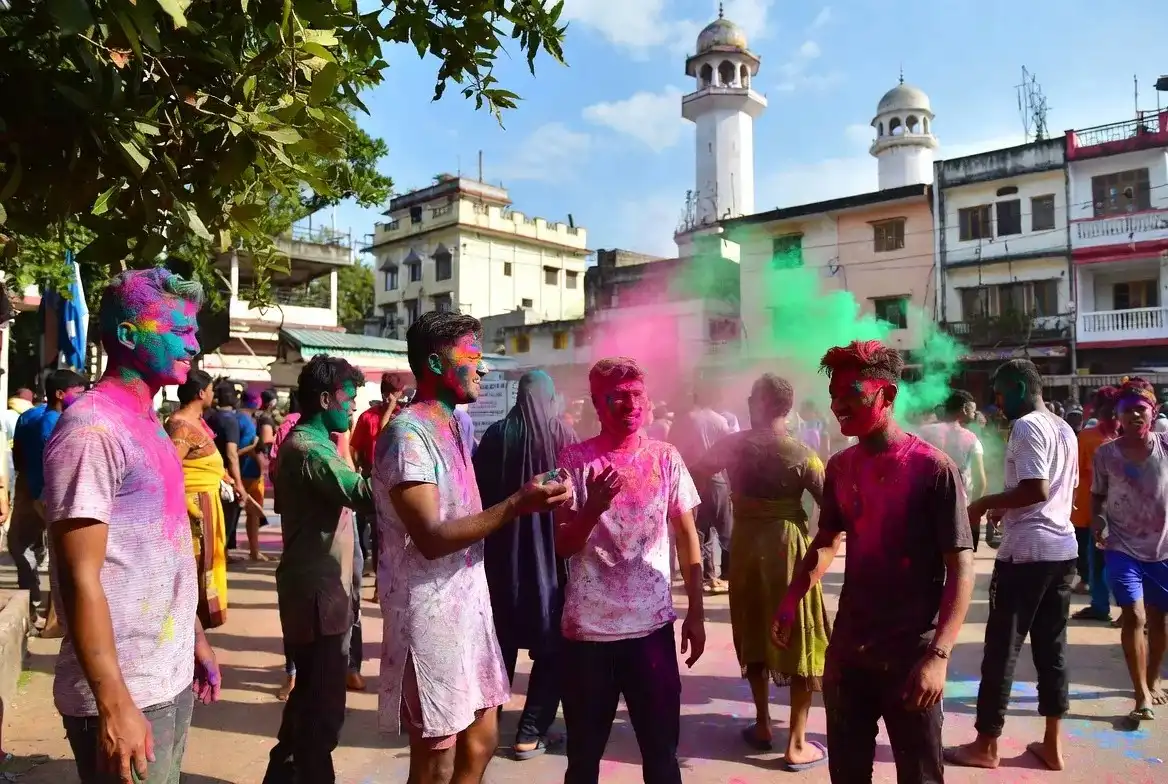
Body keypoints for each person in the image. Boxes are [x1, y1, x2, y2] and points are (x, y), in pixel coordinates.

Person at [374, 311, 572, 784]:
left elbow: (466, 510)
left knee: (482, 741)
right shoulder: (407, 436)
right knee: (435, 762)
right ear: (436, 365)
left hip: (470, 605)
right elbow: (430, 536)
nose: (482, 369)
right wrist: (518, 504)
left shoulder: (458, 426)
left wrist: (528, 493)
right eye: (472, 358)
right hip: (428, 616)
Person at [43, 269, 220, 783]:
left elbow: (158, 555)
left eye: (192, 330)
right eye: (179, 331)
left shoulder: (149, 425)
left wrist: (195, 641)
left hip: (163, 678)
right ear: (126, 336)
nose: (194, 343)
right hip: (124, 692)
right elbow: (80, 578)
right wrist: (114, 702)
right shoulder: (93, 430)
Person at [772, 340, 975, 784]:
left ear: (887, 395)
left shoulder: (934, 469)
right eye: (834, 394)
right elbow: (827, 540)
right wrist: (792, 597)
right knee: (847, 774)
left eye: (852, 393)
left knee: (920, 775)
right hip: (848, 653)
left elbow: (961, 566)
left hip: (910, 656)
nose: (838, 404)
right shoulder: (841, 467)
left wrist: (938, 655)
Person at [554, 357, 706, 784]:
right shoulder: (574, 461)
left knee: (661, 759)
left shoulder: (666, 457)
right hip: (588, 635)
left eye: (636, 394)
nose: (629, 404)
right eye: (616, 397)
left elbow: (687, 534)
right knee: (582, 762)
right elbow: (563, 544)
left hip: (651, 632)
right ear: (597, 405)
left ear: (648, 400)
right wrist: (592, 509)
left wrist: (694, 612)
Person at [948, 358, 1079, 772]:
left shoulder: (1027, 427)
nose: (998, 402)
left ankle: (986, 744)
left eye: (1001, 392)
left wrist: (986, 503)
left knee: (1001, 650)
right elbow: (1059, 491)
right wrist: (1007, 507)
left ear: (1022, 387)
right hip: (1062, 550)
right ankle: (1052, 745)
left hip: (1025, 554)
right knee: (1052, 649)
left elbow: (1036, 489)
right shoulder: (1064, 428)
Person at [692, 374, 829, 770]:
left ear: (761, 404)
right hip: (788, 547)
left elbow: (697, 472)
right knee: (802, 635)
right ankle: (797, 742)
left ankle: (764, 722)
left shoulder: (732, 446)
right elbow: (832, 510)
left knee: (753, 627)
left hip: (747, 546)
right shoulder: (803, 454)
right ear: (786, 408)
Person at [263, 356, 375, 784]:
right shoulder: (311, 450)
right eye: (348, 398)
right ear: (325, 398)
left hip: (320, 589)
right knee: (323, 708)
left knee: (309, 696)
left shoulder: (320, 443)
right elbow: (362, 494)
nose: (352, 407)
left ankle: (281, 774)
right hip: (316, 594)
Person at [473, 370, 579, 761]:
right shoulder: (562, 436)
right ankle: (529, 732)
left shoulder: (496, 435)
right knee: (553, 648)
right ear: (549, 398)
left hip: (501, 562)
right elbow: (576, 493)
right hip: (549, 563)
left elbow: (478, 496)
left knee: (499, 649)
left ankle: (484, 731)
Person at [1089, 378, 1168, 721]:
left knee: (1159, 620)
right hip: (1121, 546)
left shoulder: (1167, 446)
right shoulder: (1106, 453)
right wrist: (1097, 520)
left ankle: (1152, 681)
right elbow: (1097, 494)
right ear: (1117, 416)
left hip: (1163, 548)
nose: (1135, 415)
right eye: (1128, 410)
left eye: (1141, 409)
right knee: (1134, 616)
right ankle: (1141, 695)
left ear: (1153, 413)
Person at [9, 368, 87, 636]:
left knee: (23, 548)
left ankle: (32, 607)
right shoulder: (64, 422)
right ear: (60, 394)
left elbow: (17, 455)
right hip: (56, 496)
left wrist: (27, 488)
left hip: (29, 491)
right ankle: (56, 618)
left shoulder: (29, 416)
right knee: (61, 556)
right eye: (78, 393)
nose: (82, 397)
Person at [165, 369, 230, 629]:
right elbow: (170, 469)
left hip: (207, 499)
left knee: (205, 564)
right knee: (194, 567)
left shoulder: (196, 422)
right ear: (202, 393)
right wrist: (187, 505)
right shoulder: (181, 424)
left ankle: (197, 627)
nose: (213, 394)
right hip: (194, 506)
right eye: (211, 389)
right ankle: (188, 628)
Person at [669, 383, 733, 594]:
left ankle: (707, 575)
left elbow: (673, 452)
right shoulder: (720, 420)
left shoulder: (682, 421)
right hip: (718, 480)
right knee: (725, 529)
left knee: (699, 530)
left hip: (692, 481)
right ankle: (728, 574)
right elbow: (728, 454)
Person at [1070, 386, 1119, 621]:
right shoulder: (1089, 438)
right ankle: (1104, 606)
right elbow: (1076, 473)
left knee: (1104, 561)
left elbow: (1075, 474)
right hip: (1098, 511)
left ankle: (1110, 606)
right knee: (1099, 560)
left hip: (1107, 511)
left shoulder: (1090, 437)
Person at [918, 390, 988, 546]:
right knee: (960, 564)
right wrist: (973, 512)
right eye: (972, 409)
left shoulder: (924, 433)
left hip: (925, 511)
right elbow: (980, 481)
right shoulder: (971, 438)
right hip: (958, 511)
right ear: (964, 409)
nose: (975, 413)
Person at [205, 381, 246, 560]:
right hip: (224, 478)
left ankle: (221, 554)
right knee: (226, 519)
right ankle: (220, 556)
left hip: (209, 475)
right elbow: (231, 454)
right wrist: (238, 484)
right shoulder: (230, 420)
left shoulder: (208, 416)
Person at [238, 391, 270, 560]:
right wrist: (262, 467)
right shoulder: (248, 422)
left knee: (234, 515)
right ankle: (254, 551)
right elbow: (250, 449)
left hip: (237, 472)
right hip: (250, 474)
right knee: (254, 514)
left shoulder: (236, 418)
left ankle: (252, 551)